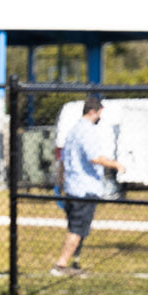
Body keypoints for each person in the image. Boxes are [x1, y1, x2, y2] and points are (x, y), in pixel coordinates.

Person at [53, 94, 119, 276]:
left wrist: (61, 183)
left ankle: (74, 264)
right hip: (84, 188)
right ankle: (60, 265)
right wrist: (116, 164)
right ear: (93, 111)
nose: (100, 118)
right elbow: (94, 157)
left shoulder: (73, 130)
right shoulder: (87, 131)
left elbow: (63, 161)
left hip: (73, 186)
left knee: (80, 229)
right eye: (99, 114)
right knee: (76, 229)